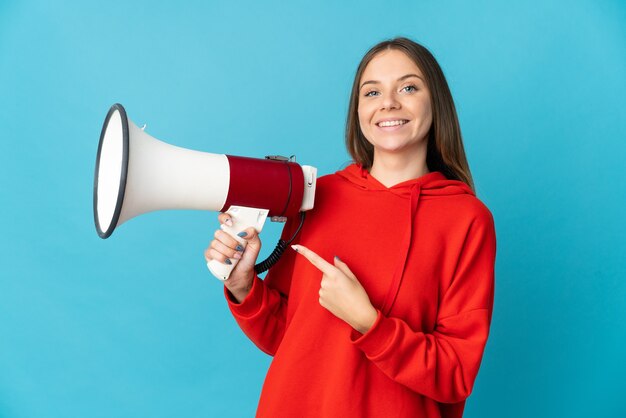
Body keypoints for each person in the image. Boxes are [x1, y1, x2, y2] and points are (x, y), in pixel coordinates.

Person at [204, 37, 496, 418]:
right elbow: (286, 338)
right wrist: (243, 287)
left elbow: (454, 374)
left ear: (435, 102)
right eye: (371, 92)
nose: (388, 103)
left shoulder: (466, 220)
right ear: (358, 110)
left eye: (408, 87)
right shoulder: (315, 197)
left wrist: (369, 322)